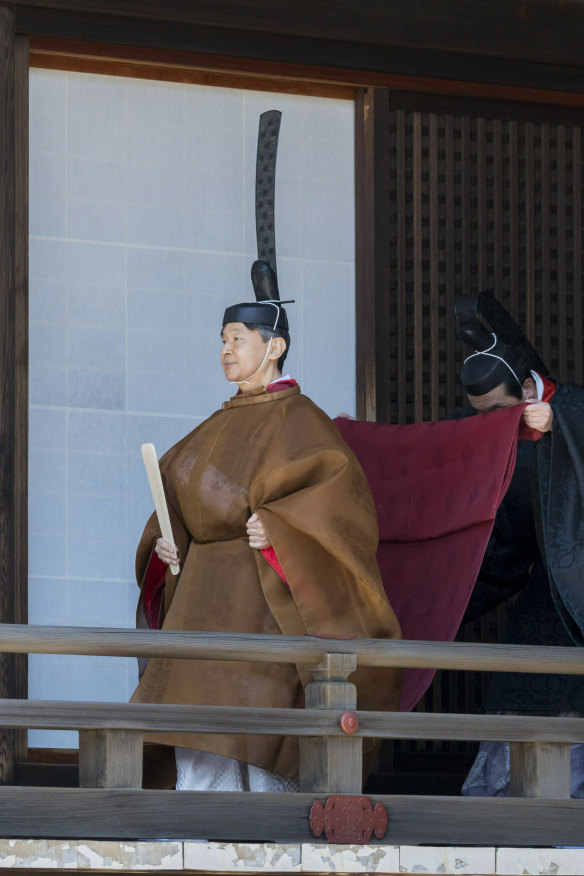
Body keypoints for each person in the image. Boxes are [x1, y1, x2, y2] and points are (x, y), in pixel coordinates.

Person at [130, 290, 403, 792]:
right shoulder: (216, 423)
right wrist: (167, 545)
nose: (226, 350)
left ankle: (263, 825)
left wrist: (280, 527)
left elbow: (340, 505)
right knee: (192, 726)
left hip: (260, 599)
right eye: (222, 340)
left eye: (238, 339)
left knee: (256, 726)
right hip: (199, 600)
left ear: (274, 347)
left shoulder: (303, 420)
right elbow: (174, 496)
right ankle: (194, 821)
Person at [455, 292, 584, 798]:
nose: (490, 423)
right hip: (550, 591)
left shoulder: (572, 408)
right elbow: (506, 550)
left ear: (526, 389)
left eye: (497, 410)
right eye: (480, 415)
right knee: (519, 679)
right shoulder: (506, 449)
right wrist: (444, 606)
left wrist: (562, 426)